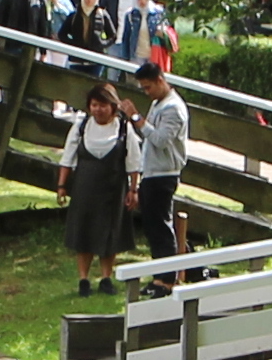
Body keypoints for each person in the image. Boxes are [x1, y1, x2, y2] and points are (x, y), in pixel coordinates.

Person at [59, 78, 134, 292]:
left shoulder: (124, 128)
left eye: (102, 105)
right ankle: (84, 279)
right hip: (85, 187)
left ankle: (105, 278)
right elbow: (67, 157)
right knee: (84, 231)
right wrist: (61, 186)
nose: (98, 109)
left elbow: (134, 161)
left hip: (113, 188)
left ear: (112, 106)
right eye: (94, 105)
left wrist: (133, 189)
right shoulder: (81, 127)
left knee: (109, 232)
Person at [126, 68, 192, 258]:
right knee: (153, 227)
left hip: (164, 175)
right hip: (152, 173)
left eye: (148, 87)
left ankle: (167, 272)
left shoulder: (173, 108)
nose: (146, 92)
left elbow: (161, 140)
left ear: (160, 80)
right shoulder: (158, 103)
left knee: (160, 229)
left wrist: (136, 117)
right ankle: (166, 271)